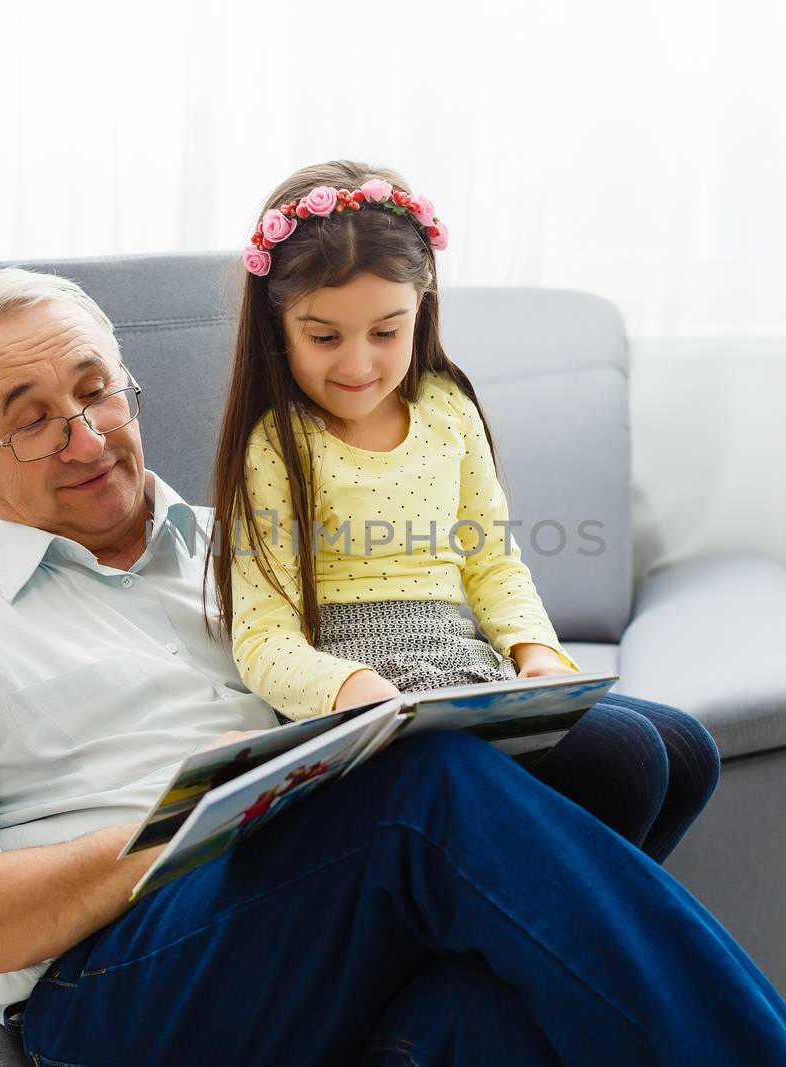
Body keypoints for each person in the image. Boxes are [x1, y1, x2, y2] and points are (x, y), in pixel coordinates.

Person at [0, 266, 786, 1065]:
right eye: (31, 416)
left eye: (95, 391)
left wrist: (507, 673)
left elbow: (439, 617)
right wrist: (189, 826)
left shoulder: (268, 542)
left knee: (649, 749)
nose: (84, 436)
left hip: (319, 914)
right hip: (116, 986)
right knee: (418, 790)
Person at [210, 159, 717, 857]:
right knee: (627, 756)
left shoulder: (448, 410)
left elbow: (492, 565)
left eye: (386, 332)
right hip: (372, 704)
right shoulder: (277, 445)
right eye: (324, 337)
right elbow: (263, 639)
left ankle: (546, 930)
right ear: (279, 324)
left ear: (423, 307)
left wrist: (539, 660)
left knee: (689, 750)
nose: (357, 364)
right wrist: (360, 691)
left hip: (467, 673)